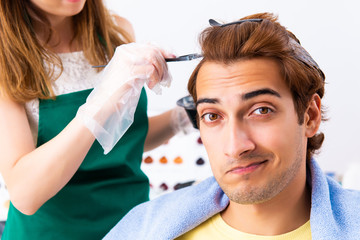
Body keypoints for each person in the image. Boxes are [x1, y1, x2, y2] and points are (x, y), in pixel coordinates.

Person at [103, 12, 360, 240]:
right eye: (213, 116)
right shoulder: (141, 229)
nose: (236, 146)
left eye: (261, 110)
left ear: (310, 116)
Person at [0, 0, 191, 239]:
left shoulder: (115, 32)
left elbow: (123, 139)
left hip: (133, 227)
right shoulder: (5, 57)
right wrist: (102, 101)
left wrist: (188, 113)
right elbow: (25, 193)